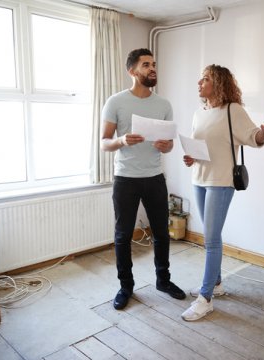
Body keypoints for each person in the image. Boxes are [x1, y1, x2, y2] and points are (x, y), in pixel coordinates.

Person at [181, 64, 264, 321]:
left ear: (218, 83)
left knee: (211, 239)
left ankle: (205, 298)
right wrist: (190, 158)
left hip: (221, 181)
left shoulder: (233, 110)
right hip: (199, 178)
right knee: (210, 235)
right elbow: (203, 147)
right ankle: (216, 283)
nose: (199, 83)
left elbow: (254, 138)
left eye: (205, 79)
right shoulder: (199, 113)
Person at [101, 48, 186, 310]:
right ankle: (125, 286)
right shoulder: (115, 102)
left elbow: (169, 144)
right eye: (146, 64)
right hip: (125, 179)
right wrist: (121, 140)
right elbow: (104, 143)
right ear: (132, 71)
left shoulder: (164, 105)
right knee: (123, 236)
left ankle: (163, 280)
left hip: (154, 178)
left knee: (161, 233)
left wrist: (165, 146)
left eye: (154, 64)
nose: (152, 69)